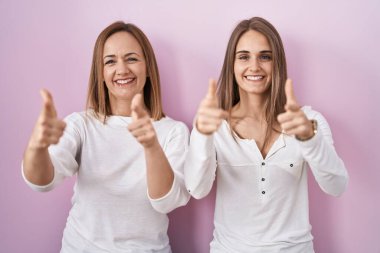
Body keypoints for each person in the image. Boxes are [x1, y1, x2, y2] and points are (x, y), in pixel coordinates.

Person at [22, 21, 190, 253]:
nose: (122, 70)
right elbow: (41, 182)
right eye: (110, 61)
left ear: (148, 67)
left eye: (131, 58)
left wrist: (151, 146)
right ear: (101, 73)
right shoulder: (81, 125)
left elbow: (166, 202)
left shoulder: (174, 131)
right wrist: (36, 147)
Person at [184, 17, 348, 253]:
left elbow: (337, 186)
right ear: (232, 64)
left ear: (277, 63)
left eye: (265, 56)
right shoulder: (213, 124)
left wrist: (310, 139)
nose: (254, 66)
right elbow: (197, 189)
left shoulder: (308, 121)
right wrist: (202, 134)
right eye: (243, 57)